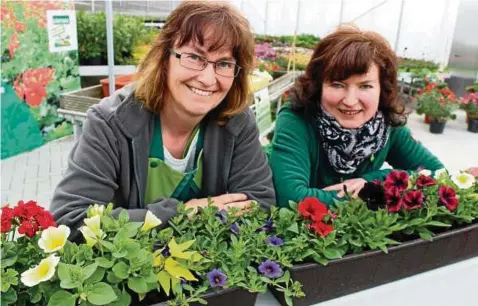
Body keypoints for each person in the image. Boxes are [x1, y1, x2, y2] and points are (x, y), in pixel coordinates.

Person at [51, 1, 275, 238]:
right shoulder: (110, 123)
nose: (208, 79)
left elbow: (260, 204)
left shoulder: (236, 121)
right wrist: (182, 214)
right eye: (194, 57)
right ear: (164, 57)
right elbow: (71, 220)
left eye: (224, 64)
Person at [269, 25, 444, 208]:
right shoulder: (296, 119)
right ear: (318, 86)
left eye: (365, 86)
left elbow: (438, 174)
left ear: (382, 89)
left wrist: (373, 182)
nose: (350, 101)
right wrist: (370, 196)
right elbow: (292, 200)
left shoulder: (386, 124)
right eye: (337, 85)